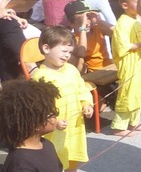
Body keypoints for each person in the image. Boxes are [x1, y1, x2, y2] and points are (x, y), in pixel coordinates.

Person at [31, 26, 94, 171]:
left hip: (74, 127)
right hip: (54, 131)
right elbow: (38, 109)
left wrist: (86, 103)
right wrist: (54, 122)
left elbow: (81, 89)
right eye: (64, 51)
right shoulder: (40, 78)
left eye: (70, 52)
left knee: (73, 158)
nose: (67, 56)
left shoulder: (71, 70)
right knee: (55, 161)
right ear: (46, 48)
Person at [110, 0, 141, 136]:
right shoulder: (122, 23)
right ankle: (118, 126)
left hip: (140, 62)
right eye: (137, 1)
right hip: (129, 64)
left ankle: (134, 123)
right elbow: (122, 46)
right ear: (125, 5)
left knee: (139, 92)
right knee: (127, 93)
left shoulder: (137, 19)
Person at [0, 80, 64, 172]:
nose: (56, 115)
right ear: (35, 123)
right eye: (51, 113)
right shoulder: (20, 165)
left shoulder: (47, 145)